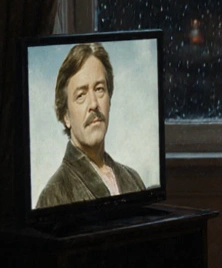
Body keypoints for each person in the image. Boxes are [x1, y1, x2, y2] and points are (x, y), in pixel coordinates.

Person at [36, 42, 145, 208]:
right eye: (81, 95)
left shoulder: (133, 179)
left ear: (109, 99)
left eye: (100, 89)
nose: (94, 103)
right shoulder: (54, 194)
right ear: (66, 116)